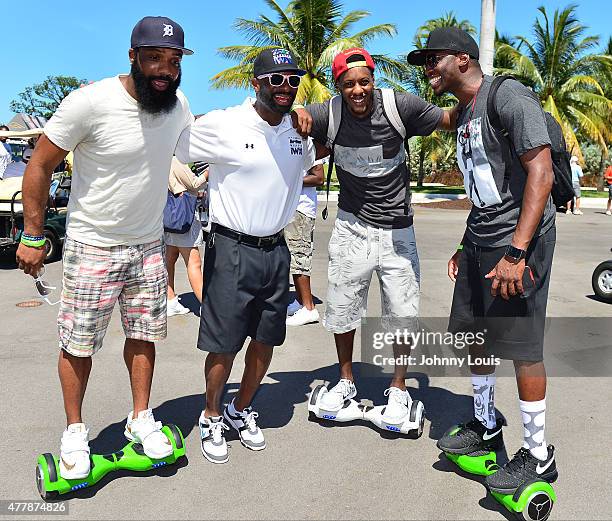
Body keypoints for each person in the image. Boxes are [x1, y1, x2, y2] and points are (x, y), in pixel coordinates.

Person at [15, 16, 194, 480]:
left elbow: (202, 149)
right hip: (92, 245)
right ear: (133, 57)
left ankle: (140, 417)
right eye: (155, 57)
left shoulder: (178, 107)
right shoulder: (89, 102)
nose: (165, 70)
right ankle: (75, 431)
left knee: (144, 337)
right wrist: (34, 234)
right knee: (78, 345)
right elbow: (39, 166)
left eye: (173, 61)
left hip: (148, 245)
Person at [408, 27, 558, 493]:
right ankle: (485, 423)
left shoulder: (507, 96)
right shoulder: (468, 111)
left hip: (517, 242)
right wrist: (464, 243)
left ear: (463, 59)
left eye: (433, 60)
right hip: (481, 238)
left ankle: (538, 455)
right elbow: (484, 185)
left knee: (521, 347)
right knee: (473, 338)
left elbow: (541, 171)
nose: (428, 70)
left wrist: (517, 252)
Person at [292, 48, 456, 421]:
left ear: (373, 80)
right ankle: (345, 380)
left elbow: (449, 118)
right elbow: (274, 112)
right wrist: (295, 111)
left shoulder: (400, 107)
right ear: (338, 86)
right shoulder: (328, 114)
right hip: (352, 227)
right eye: (348, 84)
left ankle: (398, 388)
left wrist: (484, 98)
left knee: (402, 313)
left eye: (364, 81)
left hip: (397, 230)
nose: (358, 90)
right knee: (343, 306)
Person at [175, 48, 319, 464]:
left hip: (276, 248)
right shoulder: (224, 123)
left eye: (293, 80)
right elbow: (172, 142)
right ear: (255, 84)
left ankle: (241, 409)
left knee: (266, 339)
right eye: (276, 79)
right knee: (224, 344)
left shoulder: (297, 131)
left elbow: (310, 163)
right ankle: (212, 414)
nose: (286, 87)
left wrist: (308, 121)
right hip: (231, 246)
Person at [165, 157, 207, 316]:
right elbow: (195, 184)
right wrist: (208, 172)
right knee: (194, 262)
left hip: (171, 215)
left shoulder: (162, 155)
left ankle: (170, 300)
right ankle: (207, 306)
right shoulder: (176, 159)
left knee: (170, 257)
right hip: (184, 216)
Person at [285, 160, 324, 326]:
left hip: (301, 209)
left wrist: (288, 181)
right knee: (293, 258)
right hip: (291, 208)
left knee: (300, 257)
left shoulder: (311, 145)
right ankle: (301, 302)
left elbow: (319, 178)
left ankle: (309, 308)